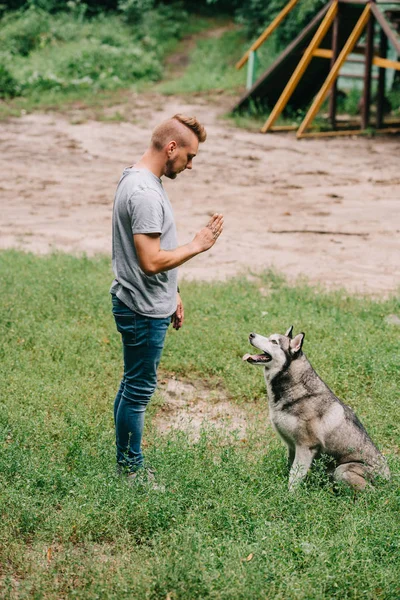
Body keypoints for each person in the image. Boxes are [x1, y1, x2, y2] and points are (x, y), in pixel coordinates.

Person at [110, 114, 224, 480]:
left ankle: (125, 461)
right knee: (139, 391)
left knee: (132, 383)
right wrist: (197, 244)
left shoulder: (139, 178)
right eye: (189, 157)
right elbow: (150, 260)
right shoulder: (145, 193)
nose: (190, 166)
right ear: (171, 147)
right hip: (141, 309)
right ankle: (131, 470)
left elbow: (153, 258)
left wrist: (173, 292)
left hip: (145, 301)